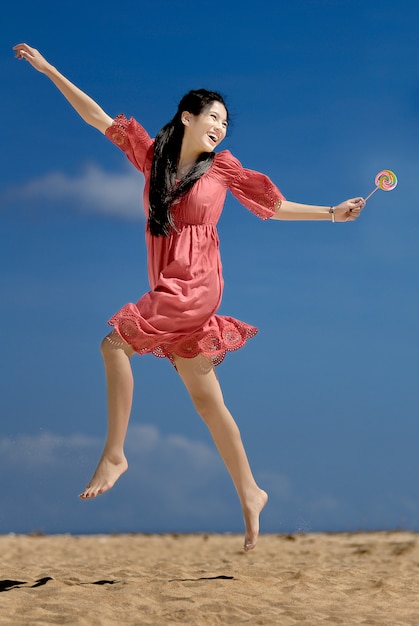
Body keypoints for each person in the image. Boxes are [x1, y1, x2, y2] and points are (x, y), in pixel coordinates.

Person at [13, 43, 365, 551]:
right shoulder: (152, 158)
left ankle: (115, 453)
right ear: (188, 116)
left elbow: (275, 206)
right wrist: (49, 70)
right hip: (169, 284)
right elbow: (96, 116)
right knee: (207, 400)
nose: (221, 128)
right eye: (213, 118)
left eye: (225, 123)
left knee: (115, 345)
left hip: (196, 286)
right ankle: (251, 491)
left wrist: (332, 212)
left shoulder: (221, 169)